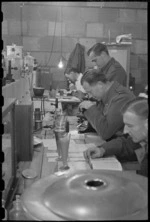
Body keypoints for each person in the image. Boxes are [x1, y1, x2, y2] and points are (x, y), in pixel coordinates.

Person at [83, 97, 148, 177]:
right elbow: (126, 144)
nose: (125, 131)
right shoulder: (142, 138)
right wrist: (102, 149)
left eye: (130, 126)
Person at [79, 69, 135, 141]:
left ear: (100, 85)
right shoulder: (105, 96)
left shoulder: (121, 98)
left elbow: (105, 133)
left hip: (125, 147)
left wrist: (91, 108)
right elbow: (99, 123)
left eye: (90, 91)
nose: (90, 96)